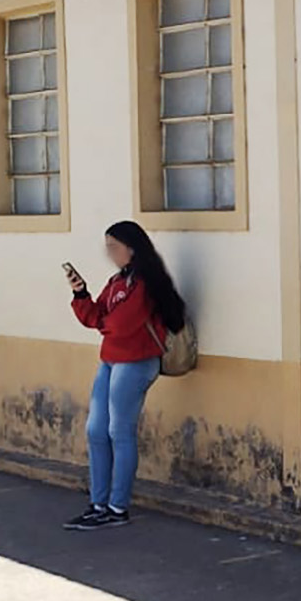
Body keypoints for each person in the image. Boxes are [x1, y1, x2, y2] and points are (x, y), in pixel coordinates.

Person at [63, 221, 187, 531]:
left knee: (120, 431)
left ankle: (117, 507)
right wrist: (81, 293)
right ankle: (98, 503)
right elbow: (96, 317)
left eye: (113, 247)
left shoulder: (144, 284)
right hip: (111, 360)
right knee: (96, 430)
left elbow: (121, 325)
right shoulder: (117, 282)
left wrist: (105, 321)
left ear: (131, 248)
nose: (109, 253)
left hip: (135, 362)